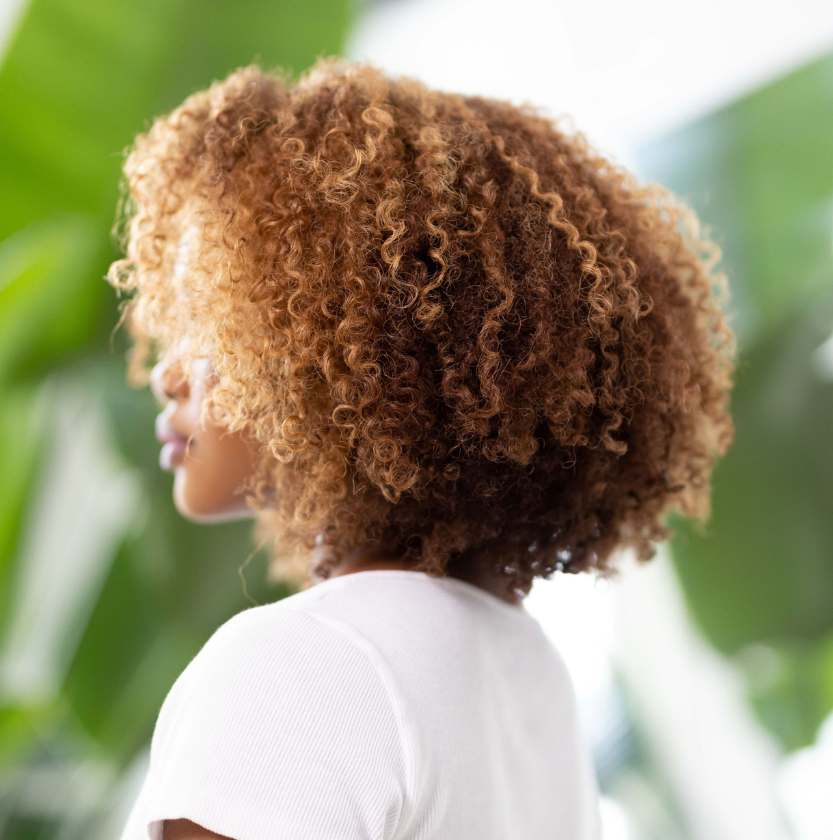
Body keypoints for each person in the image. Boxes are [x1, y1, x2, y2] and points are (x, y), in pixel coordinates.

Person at [108, 58, 734, 840]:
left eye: (210, 316)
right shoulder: (528, 675)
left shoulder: (301, 666)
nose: (167, 372)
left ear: (349, 349)